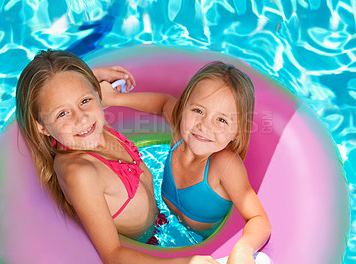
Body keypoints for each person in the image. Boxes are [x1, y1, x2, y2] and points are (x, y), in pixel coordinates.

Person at [15, 50, 219, 264]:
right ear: (42, 127)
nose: (81, 118)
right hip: (146, 250)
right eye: (62, 113)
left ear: (96, 95)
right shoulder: (80, 172)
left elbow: (167, 105)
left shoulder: (92, 127)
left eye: (85, 100)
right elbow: (112, 255)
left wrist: (107, 90)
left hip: (163, 223)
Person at [101, 61, 271, 264]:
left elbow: (259, 220)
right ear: (183, 109)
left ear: (236, 132)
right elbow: (164, 103)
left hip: (201, 239)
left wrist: (244, 248)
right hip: (161, 219)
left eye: (222, 120)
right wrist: (116, 98)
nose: (204, 126)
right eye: (198, 111)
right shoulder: (180, 133)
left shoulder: (224, 165)